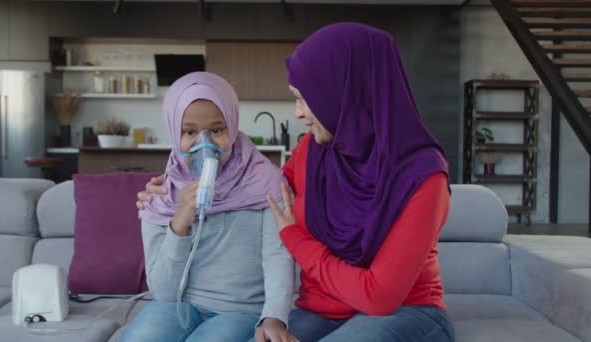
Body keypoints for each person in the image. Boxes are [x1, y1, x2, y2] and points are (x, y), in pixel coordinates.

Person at [138, 23, 455, 342]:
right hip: (320, 311)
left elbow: (378, 296)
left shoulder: (424, 176)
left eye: (305, 99)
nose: (299, 113)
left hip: (405, 311)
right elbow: (252, 186)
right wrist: (169, 188)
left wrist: (296, 240)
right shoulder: (313, 151)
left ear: (346, 91)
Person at [125, 72, 296, 342]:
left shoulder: (265, 182)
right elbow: (164, 292)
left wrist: (274, 317)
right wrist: (179, 222)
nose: (204, 144)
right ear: (172, 130)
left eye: (216, 130)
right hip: (178, 306)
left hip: (239, 311)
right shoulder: (160, 196)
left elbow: (277, 257)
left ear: (232, 124)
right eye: (189, 132)